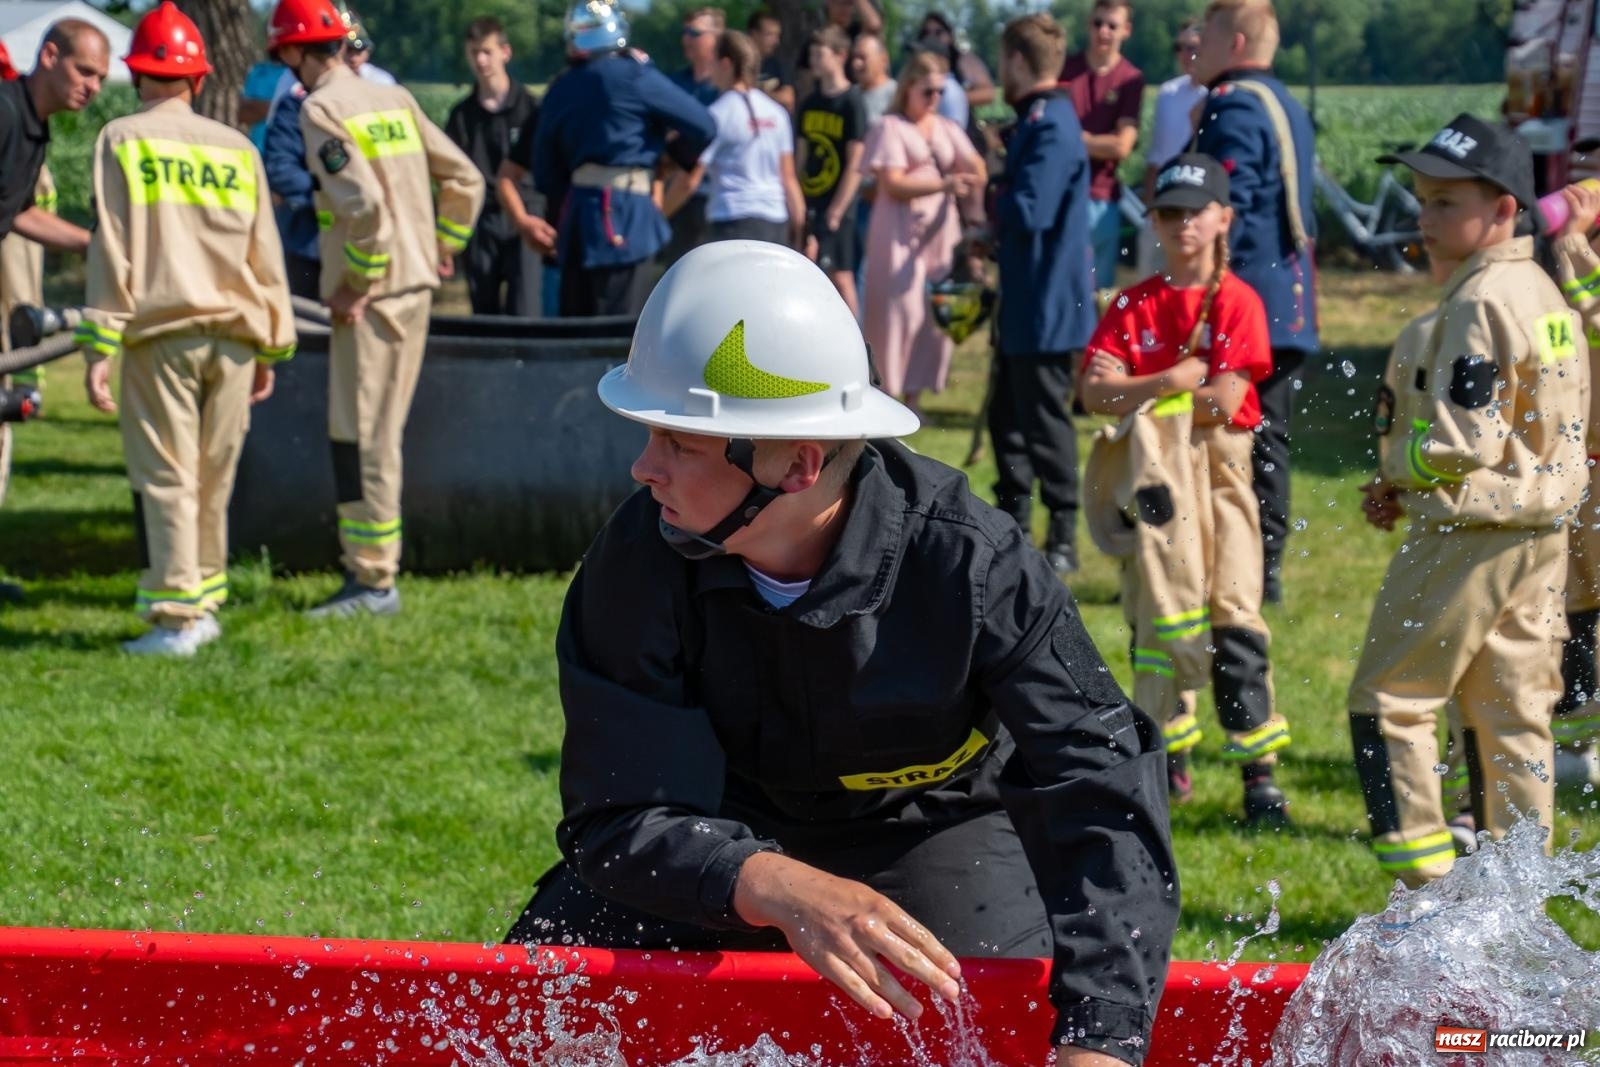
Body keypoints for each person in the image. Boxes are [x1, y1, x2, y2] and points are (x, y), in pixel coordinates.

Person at [504, 239, 1177, 1067]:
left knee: (977, 1028)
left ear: (797, 465)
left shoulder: (974, 563)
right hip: (717, 832)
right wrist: (769, 882)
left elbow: (1101, 787)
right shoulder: (641, 557)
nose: (644, 468)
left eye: (680, 442)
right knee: (529, 1007)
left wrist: (1099, 1040)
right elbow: (616, 817)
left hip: (932, 829)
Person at [1348, 114, 1587, 887]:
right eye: (1422, 198)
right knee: (1510, 715)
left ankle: (1423, 892)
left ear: (1506, 209)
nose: (1425, 216)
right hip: (1542, 528)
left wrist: (1396, 464)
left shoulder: (1478, 301)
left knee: (1388, 703)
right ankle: (1516, 894)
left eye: (1447, 201)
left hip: (1468, 529)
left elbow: (1464, 442)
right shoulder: (1545, 291)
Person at [76, 3, 296, 655]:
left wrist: (98, 345)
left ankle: (176, 617)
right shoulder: (234, 148)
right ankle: (203, 601)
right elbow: (265, 254)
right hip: (234, 336)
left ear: (138, 74)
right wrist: (270, 345)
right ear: (198, 79)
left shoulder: (120, 138)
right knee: (213, 473)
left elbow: (111, 247)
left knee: (167, 473)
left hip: (162, 334)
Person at [1080, 153, 1288, 826]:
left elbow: (1227, 400)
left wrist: (1138, 396)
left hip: (1219, 477)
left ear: (1223, 218)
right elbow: (1093, 391)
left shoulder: (1237, 301)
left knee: (1233, 610)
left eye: (1193, 212)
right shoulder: (1134, 302)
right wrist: (1170, 384)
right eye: (1166, 212)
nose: (1179, 225)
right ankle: (1167, 757)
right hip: (1154, 485)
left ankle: (1260, 776)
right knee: (1156, 617)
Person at [268, 0, 485, 616]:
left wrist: (354, 286)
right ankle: (371, 577)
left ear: (294, 50)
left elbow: (361, 209)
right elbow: (466, 180)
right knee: (374, 432)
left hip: (374, 298)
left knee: (364, 436)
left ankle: (371, 581)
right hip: (413, 287)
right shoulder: (392, 98)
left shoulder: (320, 108)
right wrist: (442, 246)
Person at [1190, 0, 1318, 603]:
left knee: (1245, 439)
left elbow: (1224, 211)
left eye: (1206, 35)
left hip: (1250, 305)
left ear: (1236, 43)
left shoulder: (1234, 103)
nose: (1195, 45)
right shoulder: (1285, 102)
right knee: (1270, 437)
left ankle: (1253, 568)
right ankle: (1263, 566)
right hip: (1288, 300)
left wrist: (1201, 298)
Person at [0, 19, 110, 605]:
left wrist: (96, 243)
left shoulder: (33, 129)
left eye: (101, 78)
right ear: (48, 55)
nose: (93, 87)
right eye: (84, 71)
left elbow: (16, 213)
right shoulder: (2, 114)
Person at [985, 14, 1093, 577]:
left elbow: (1031, 210)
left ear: (1019, 63)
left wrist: (988, 195)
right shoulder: (1036, 119)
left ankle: (1065, 534)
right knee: (1008, 418)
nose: (1000, 72)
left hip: (1047, 304)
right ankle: (1014, 527)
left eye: (1003, 61)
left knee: (1044, 422)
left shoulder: (1050, 124)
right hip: (1026, 299)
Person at [534, 1, 714, 317]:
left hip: (577, 222)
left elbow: (544, 172)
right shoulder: (635, 75)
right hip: (626, 219)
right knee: (623, 338)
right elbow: (703, 125)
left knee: (575, 337)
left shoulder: (561, 86)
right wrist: (666, 149)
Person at [859, 50, 985, 414]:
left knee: (934, 315)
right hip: (897, 229)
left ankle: (915, 397)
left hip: (940, 232)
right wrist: (943, 185)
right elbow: (892, 183)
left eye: (940, 93)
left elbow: (976, 165)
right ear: (908, 87)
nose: (934, 100)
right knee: (899, 312)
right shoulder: (889, 127)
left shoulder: (946, 127)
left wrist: (972, 169)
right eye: (927, 91)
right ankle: (888, 392)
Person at [1543, 179, 1600, 787]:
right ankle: (1577, 741)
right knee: (1576, 601)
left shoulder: (1581, 257)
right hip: (1581, 462)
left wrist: (1576, 247)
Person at [664, 31, 802, 248]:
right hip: (775, 223)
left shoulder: (718, 115)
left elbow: (689, 180)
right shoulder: (777, 113)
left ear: (726, 64)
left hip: (733, 221)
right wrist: (802, 228)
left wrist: (659, 214)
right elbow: (789, 178)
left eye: (714, 61)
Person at [446, 17, 542, 316]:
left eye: (487, 51)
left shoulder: (531, 108)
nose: (480, 60)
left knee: (526, 311)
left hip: (525, 216)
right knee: (484, 310)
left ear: (505, 52)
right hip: (481, 221)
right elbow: (450, 178)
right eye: (474, 52)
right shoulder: (461, 116)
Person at [1059, 0, 1144, 293]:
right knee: (1062, 287)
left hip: (1103, 198)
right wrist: (1098, 142)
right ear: (1088, 24)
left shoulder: (1130, 80)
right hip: (1061, 194)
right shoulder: (1065, 71)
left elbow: (1122, 146)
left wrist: (1074, 139)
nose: (1103, 31)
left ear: (1126, 31)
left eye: (1112, 25)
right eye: (1098, 23)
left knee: (1098, 292)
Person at [797, 26, 865, 315]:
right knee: (808, 270)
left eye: (819, 53)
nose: (813, 60)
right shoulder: (809, 103)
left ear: (840, 55)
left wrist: (837, 210)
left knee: (841, 276)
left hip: (838, 206)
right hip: (811, 201)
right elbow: (799, 158)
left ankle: (860, 349)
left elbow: (857, 162)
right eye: (811, 53)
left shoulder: (851, 101)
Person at [1136, 19, 1206, 274]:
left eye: (1193, 47)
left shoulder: (1218, 94)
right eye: (1181, 47)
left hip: (1198, 200)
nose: (1187, 55)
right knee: (1151, 273)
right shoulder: (1168, 93)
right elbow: (1157, 153)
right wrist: (1149, 204)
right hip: (1163, 197)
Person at [658, 7, 724, 268]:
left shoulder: (725, 90)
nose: (686, 39)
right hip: (678, 193)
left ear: (716, 38)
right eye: (685, 32)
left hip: (714, 198)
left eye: (695, 33)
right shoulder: (673, 84)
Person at [262, 84, 320, 298]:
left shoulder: (380, 88)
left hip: (372, 243)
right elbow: (281, 169)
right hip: (309, 243)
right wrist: (334, 195)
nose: (353, 58)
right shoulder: (297, 103)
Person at [918, 12, 995, 109]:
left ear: (950, 35)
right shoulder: (917, 65)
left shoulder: (963, 60)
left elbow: (988, 93)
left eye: (938, 32)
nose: (932, 37)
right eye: (926, 33)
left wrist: (951, 98)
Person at [746, 8, 794, 113]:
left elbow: (788, 99)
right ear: (754, 35)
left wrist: (756, 93)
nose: (776, 41)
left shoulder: (778, 65)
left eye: (777, 35)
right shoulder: (739, 64)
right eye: (769, 35)